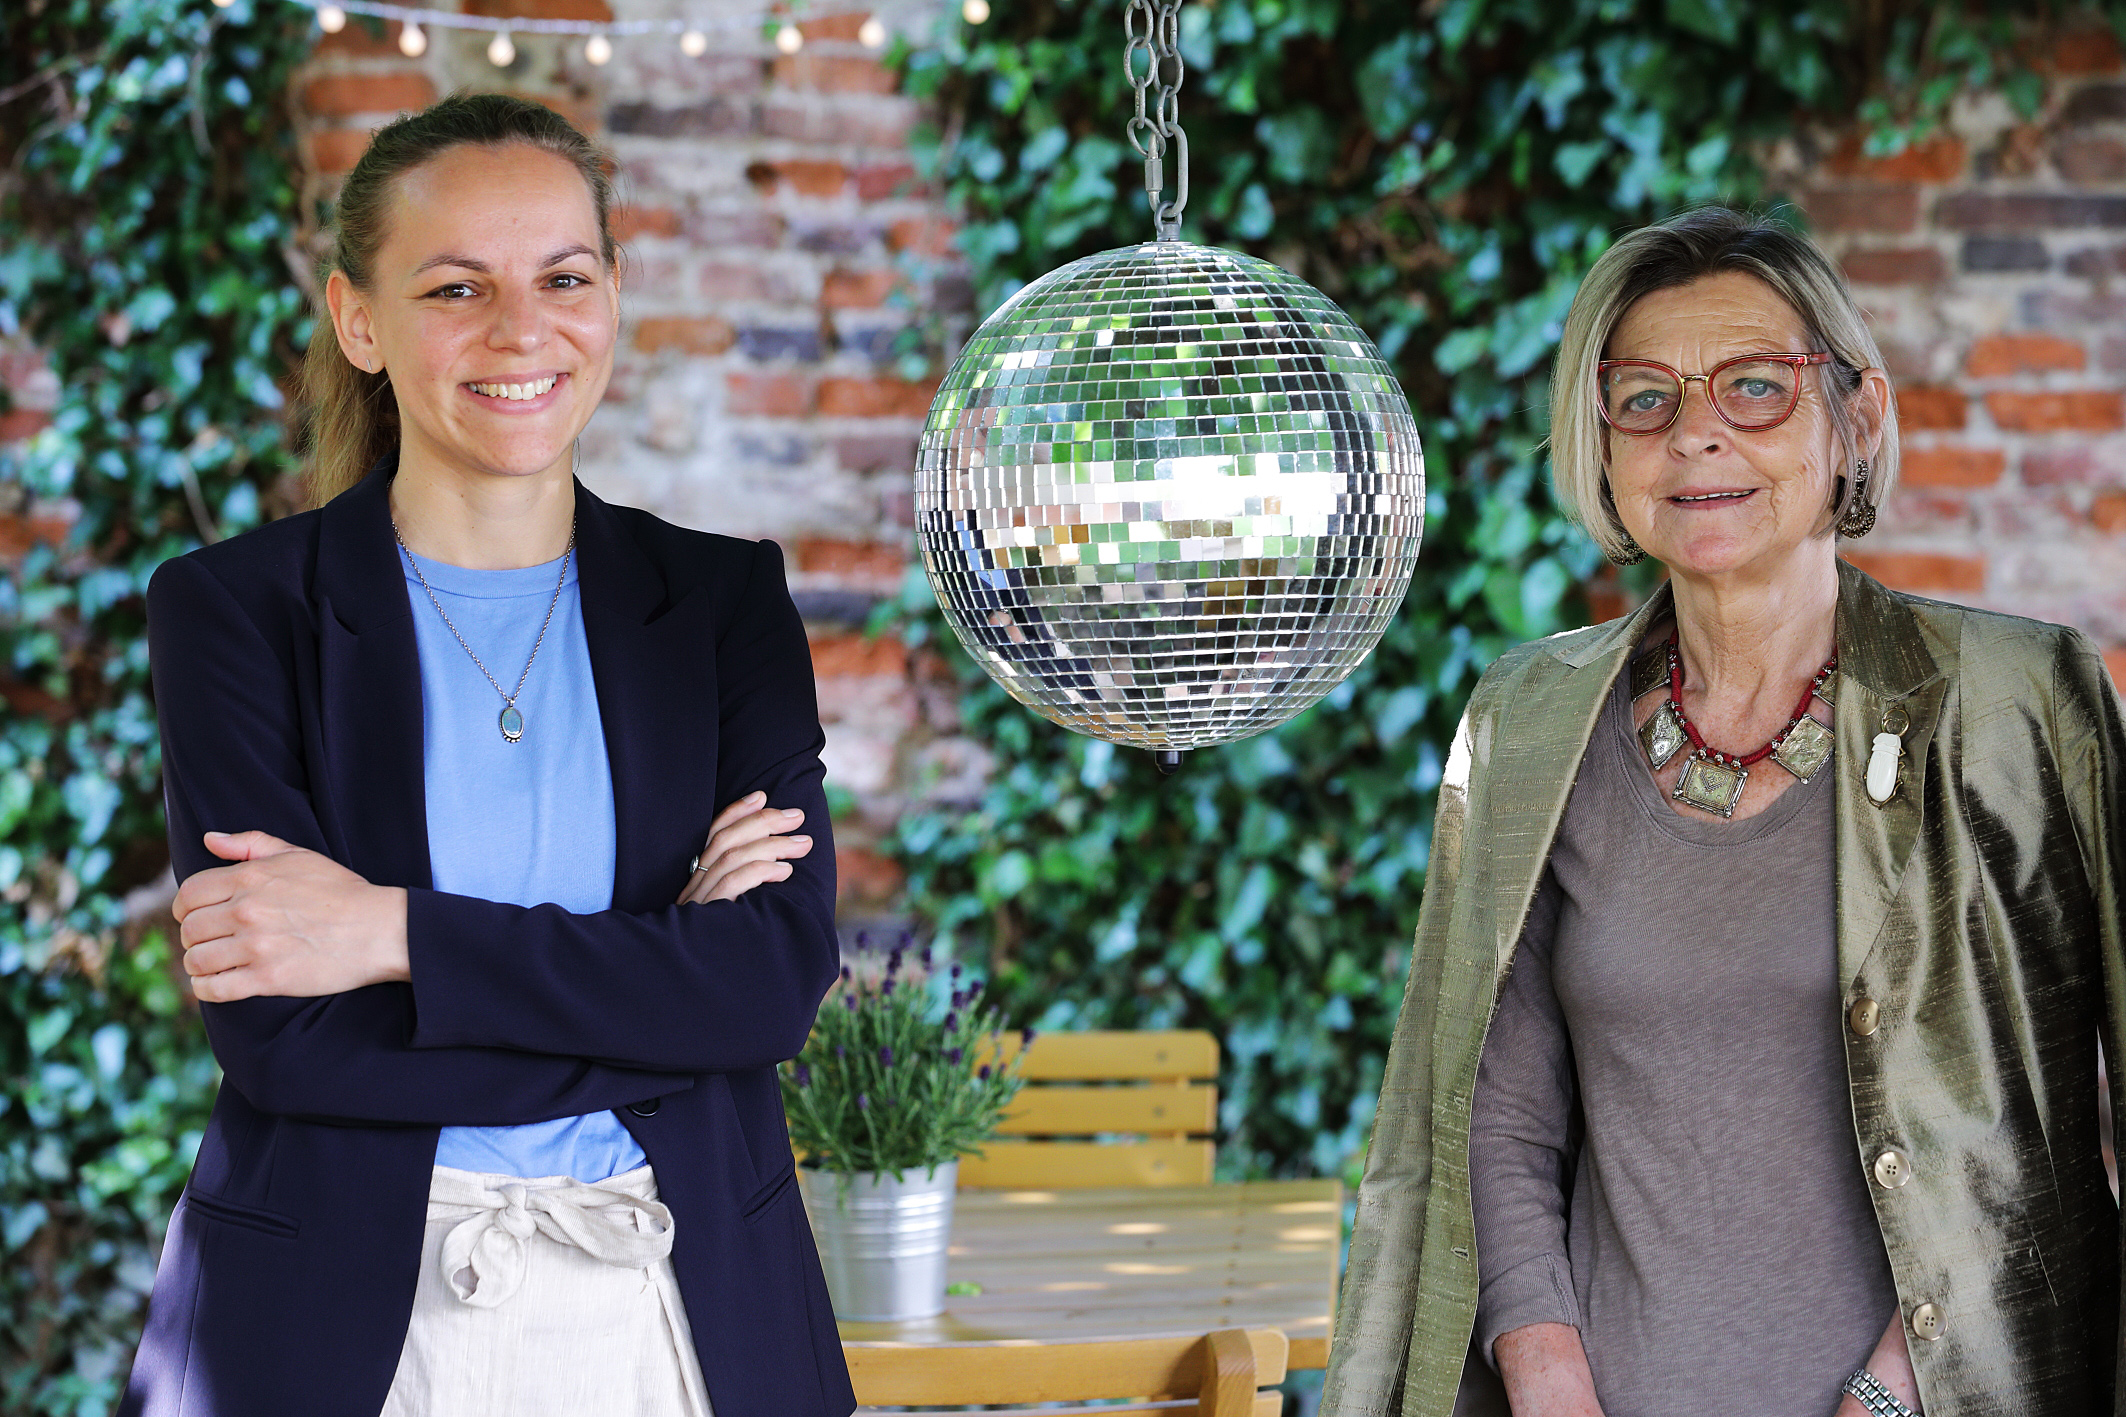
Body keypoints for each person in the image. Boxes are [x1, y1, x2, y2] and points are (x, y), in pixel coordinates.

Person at [1322, 206, 2126, 1417]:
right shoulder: (1530, 721)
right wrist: (1548, 1384)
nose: (1693, 433)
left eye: (1754, 387)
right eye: (1641, 398)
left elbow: (2076, 1123)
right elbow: (1497, 1111)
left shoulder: (2015, 700)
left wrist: (1887, 1400)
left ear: (1853, 421)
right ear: (1601, 449)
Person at [119, 94, 854, 1417]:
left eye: (563, 278)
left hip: (680, 1310)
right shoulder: (234, 611)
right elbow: (291, 1044)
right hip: (343, 1328)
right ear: (360, 321)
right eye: (455, 288)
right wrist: (663, 985)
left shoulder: (722, 605)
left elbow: (769, 986)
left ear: (612, 297)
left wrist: (395, 933)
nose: (523, 331)